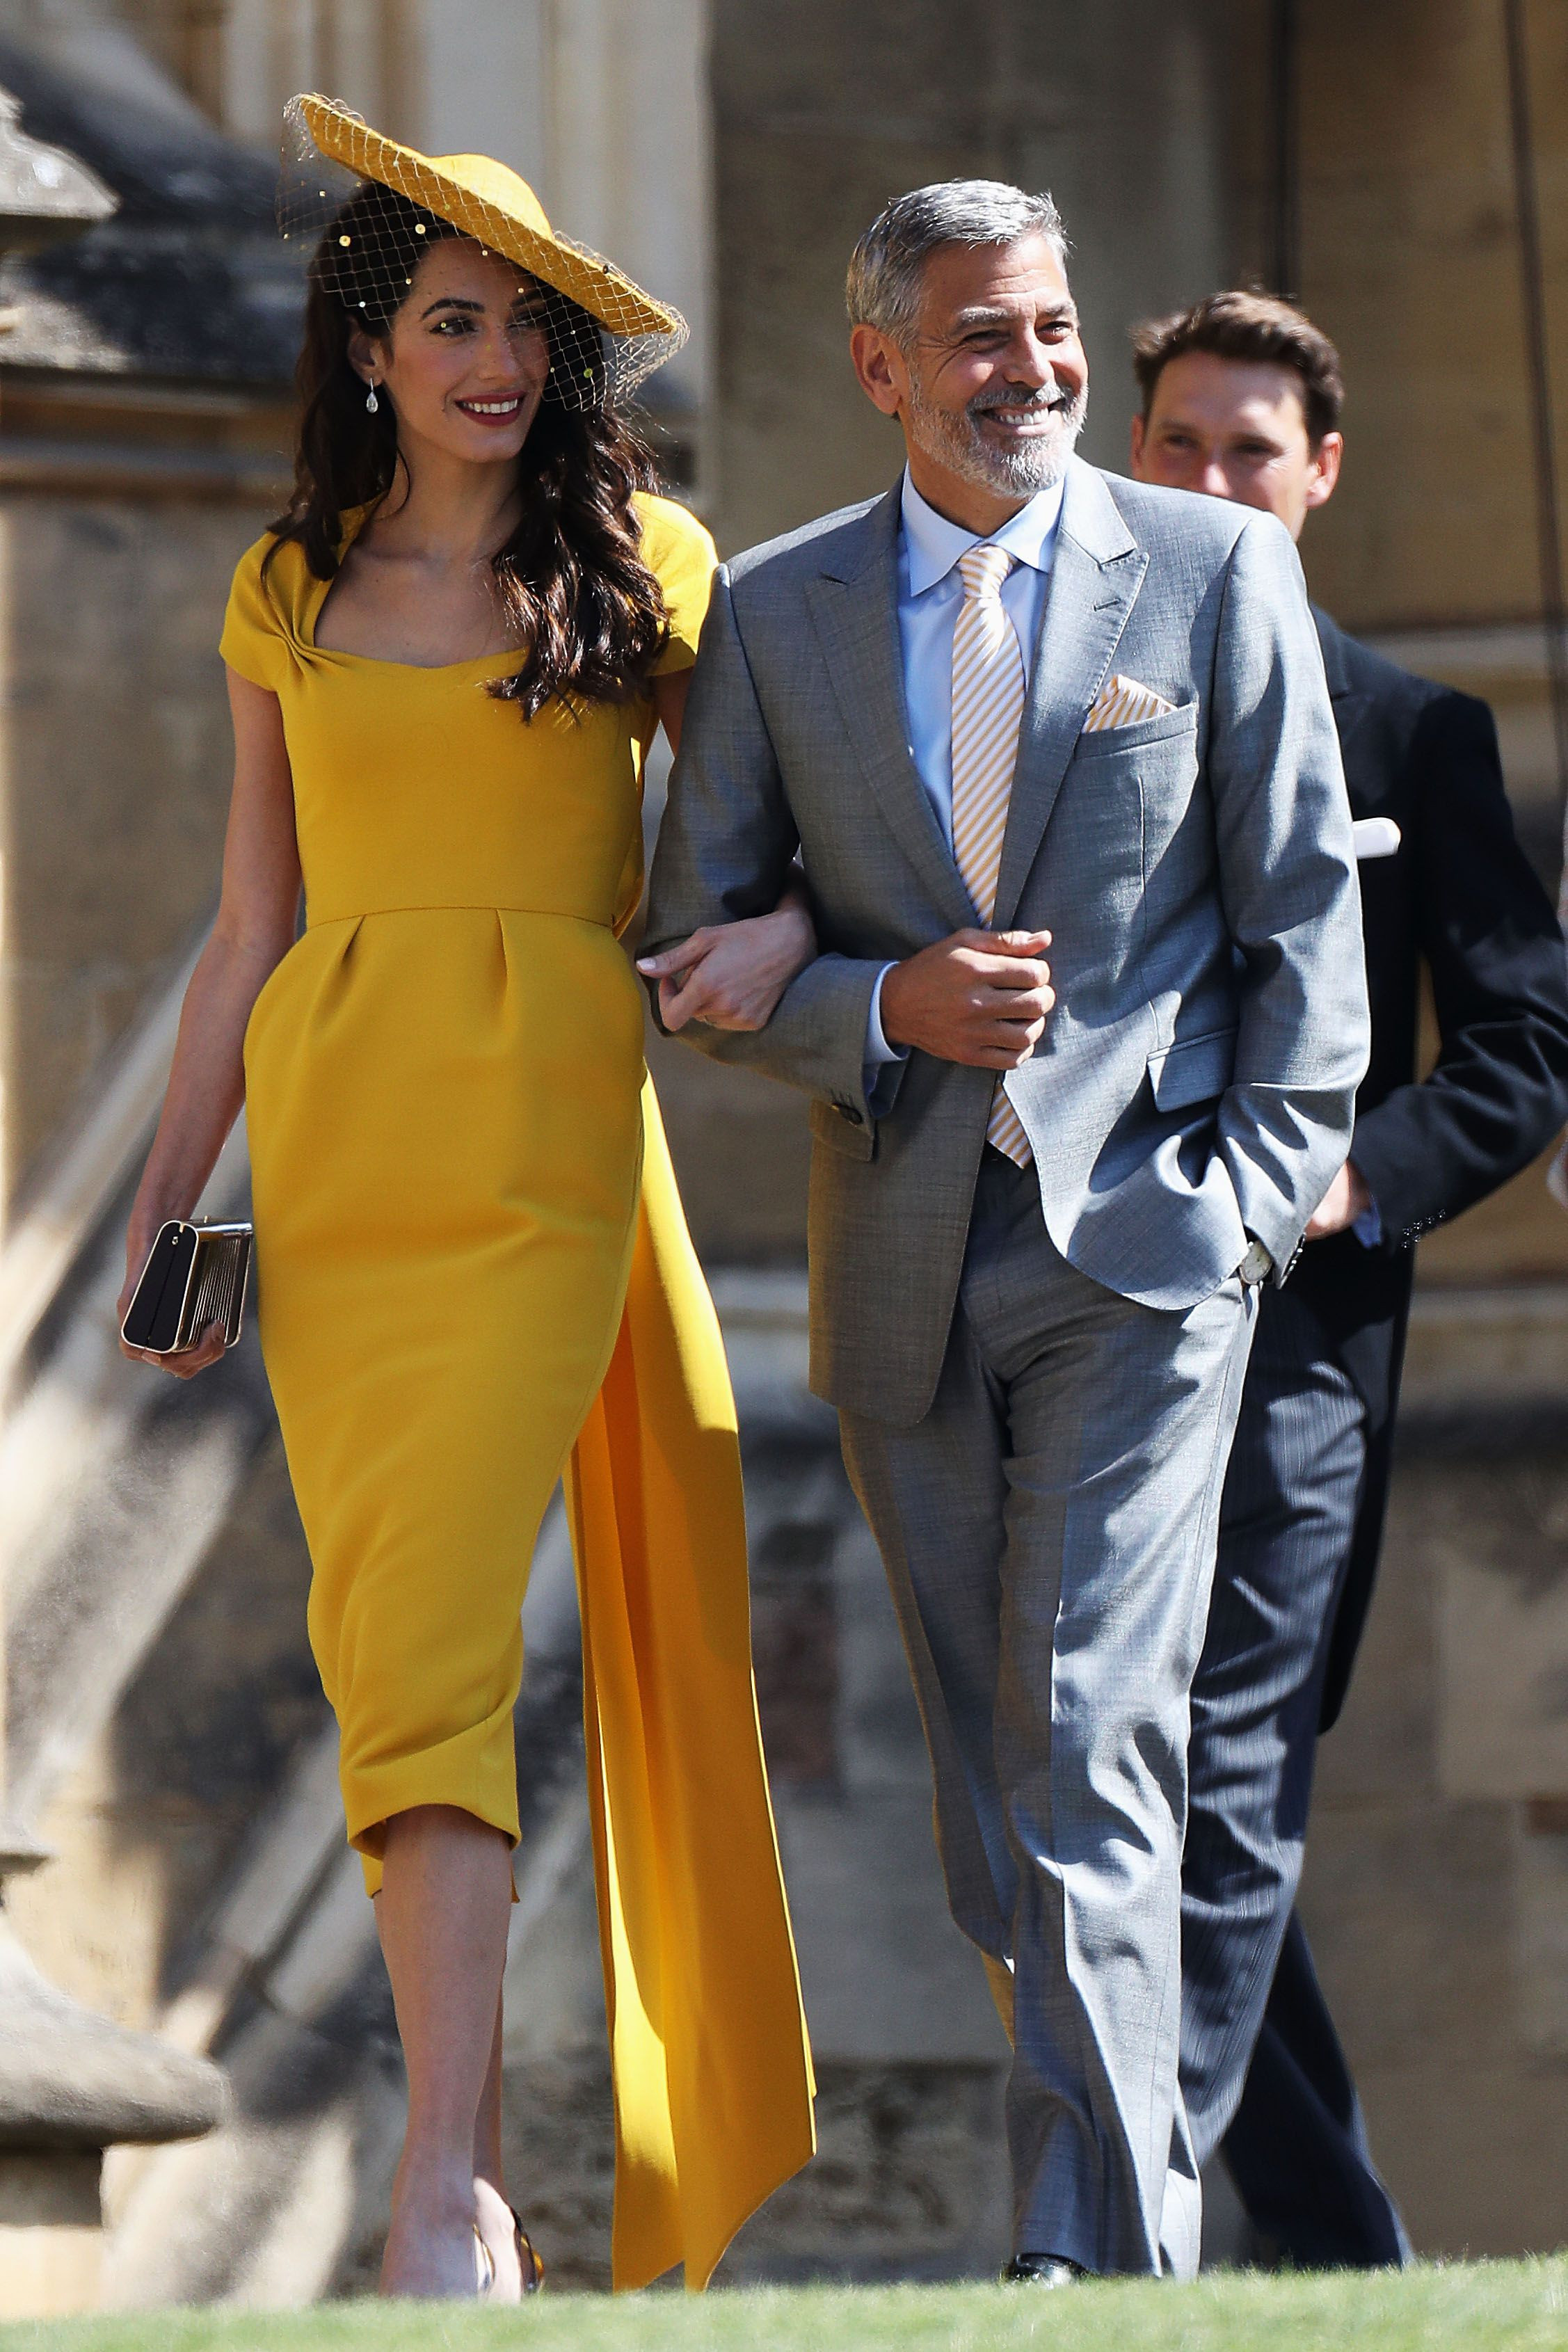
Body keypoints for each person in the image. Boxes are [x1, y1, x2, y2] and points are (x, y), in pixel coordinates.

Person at [118, 95, 815, 2301]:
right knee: (398, 1654)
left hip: (546, 1147)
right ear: (371, 343)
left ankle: (438, 2188)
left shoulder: (657, 570)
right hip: (335, 1159)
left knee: (441, 1639)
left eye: (523, 325)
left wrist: (786, 948)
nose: (493, 358)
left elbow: (766, 855)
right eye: (450, 320)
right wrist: (165, 1216)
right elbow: (247, 930)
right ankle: (469, 2181)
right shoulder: (282, 589)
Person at [641, 180, 1370, 2285]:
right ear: (882, 366)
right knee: (996, 1788)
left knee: (1086, 1737)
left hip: (1151, 1259)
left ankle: (1095, 2263)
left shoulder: (1220, 574)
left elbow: (1306, 923)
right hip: (900, 1267)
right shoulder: (771, 617)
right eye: (983, 335)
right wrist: (880, 1004)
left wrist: (1243, 1210)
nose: (1036, 370)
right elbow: (684, 947)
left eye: (1051, 326)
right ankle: (1107, 2208)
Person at [1130, 288, 1568, 2268]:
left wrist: (1344, 1179)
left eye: (1249, 450)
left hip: (1305, 1342)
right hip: (1072, 1324)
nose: (1210, 479)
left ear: (1317, 480)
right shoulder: (1027, 705)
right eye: (1178, 444)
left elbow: (1527, 1046)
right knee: (1118, 1791)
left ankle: (1116, 2225)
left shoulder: (1414, 729)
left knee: (1233, 1768)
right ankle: (1333, 2259)